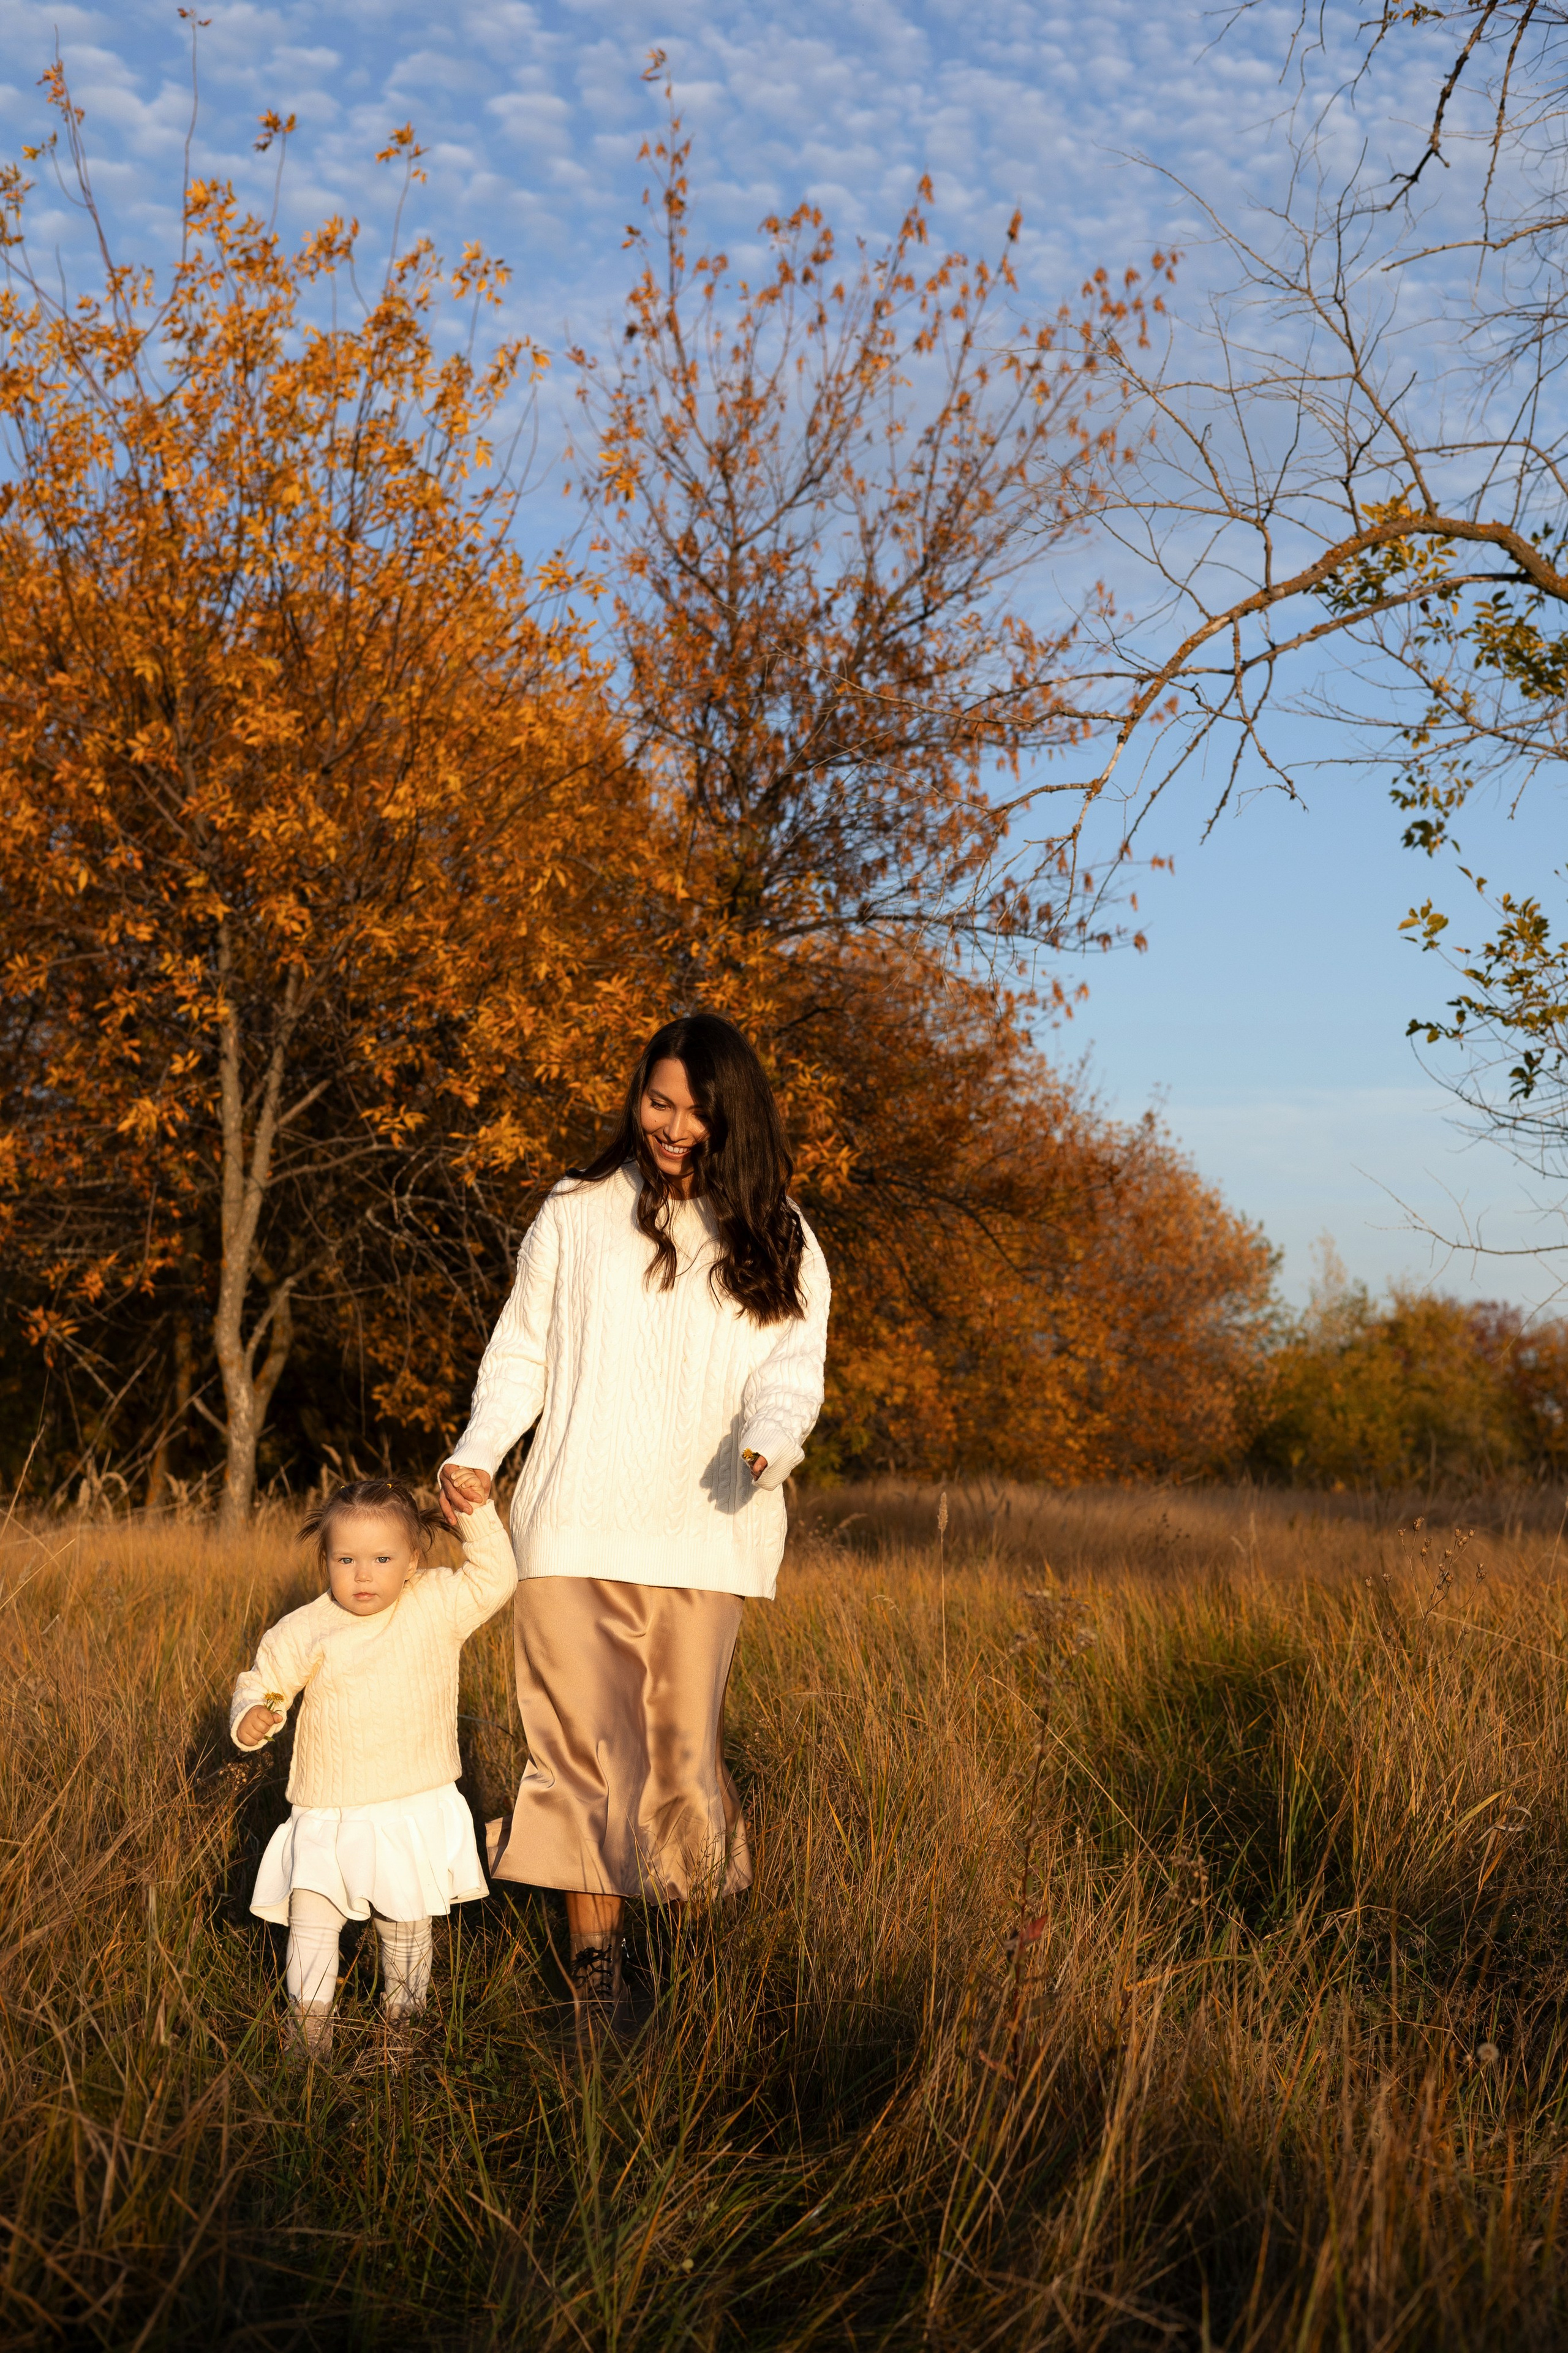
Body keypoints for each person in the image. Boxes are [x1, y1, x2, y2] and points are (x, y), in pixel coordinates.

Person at [439, 1012, 831, 2036]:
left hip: (704, 1533)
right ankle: (596, 1980)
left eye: (698, 1111)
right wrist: (479, 1452)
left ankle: (701, 1970)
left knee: (675, 1758)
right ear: (638, 1097)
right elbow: (521, 1350)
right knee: (577, 1756)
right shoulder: (573, 1212)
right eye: (660, 1102)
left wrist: (770, 1441)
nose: (674, 1125)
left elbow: (792, 1371)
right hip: (571, 1528)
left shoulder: (778, 1229)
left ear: (732, 1117)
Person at [230, 1476, 516, 2056]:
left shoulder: (436, 1603)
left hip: (408, 1807)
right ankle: (308, 2039)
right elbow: (265, 1679)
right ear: (326, 1560)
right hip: (327, 1810)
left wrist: (477, 1511)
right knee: (312, 1924)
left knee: (404, 1927)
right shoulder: (309, 1625)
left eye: (382, 1558)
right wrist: (253, 1715)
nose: (363, 1574)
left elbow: (497, 1578)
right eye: (347, 1559)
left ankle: (402, 2034)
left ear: (413, 1560)